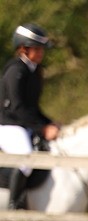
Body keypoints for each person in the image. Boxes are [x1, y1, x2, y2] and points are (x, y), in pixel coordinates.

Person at [0, 23, 59, 210]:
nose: (41, 53)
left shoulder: (35, 71)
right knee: (26, 160)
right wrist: (42, 128)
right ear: (23, 48)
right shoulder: (16, 71)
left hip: (23, 123)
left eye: (42, 49)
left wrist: (50, 123)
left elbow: (33, 108)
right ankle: (14, 204)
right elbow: (17, 108)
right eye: (37, 49)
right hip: (8, 125)